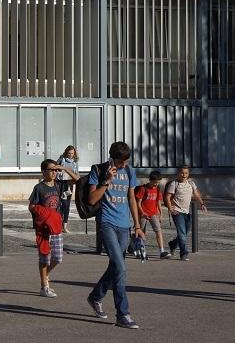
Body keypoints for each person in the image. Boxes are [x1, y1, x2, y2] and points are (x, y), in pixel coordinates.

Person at [85, 141, 143, 329]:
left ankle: (95, 296)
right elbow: (92, 199)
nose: (123, 165)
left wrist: (137, 225)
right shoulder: (99, 170)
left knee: (116, 267)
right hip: (107, 223)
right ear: (112, 158)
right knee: (120, 268)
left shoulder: (129, 171)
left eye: (126, 161)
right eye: (120, 162)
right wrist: (107, 181)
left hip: (124, 226)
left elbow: (131, 198)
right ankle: (123, 314)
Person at [29, 159, 72, 297]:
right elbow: (31, 206)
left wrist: (64, 169)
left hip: (56, 226)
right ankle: (44, 287)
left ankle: (45, 275)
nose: (54, 172)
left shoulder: (59, 185)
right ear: (43, 172)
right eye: (51, 170)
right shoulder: (39, 188)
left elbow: (77, 180)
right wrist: (45, 215)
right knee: (44, 258)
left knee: (58, 257)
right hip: (43, 228)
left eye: (55, 170)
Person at [164, 165, 207, 261]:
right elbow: (167, 197)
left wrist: (202, 204)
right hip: (177, 211)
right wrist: (170, 208)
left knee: (185, 232)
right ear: (178, 173)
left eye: (186, 173)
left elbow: (196, 194)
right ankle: (184, 254)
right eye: (182, 173)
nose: (184, 175)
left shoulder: (191, 183)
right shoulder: (174, 184)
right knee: (182, 233)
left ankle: (173, 244)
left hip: (187, 212)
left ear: (188, 174)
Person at [135, 171, 170, 259]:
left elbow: (158, 201)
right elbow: (138, 202)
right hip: (143, 214)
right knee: (142, 232)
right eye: (154, 183)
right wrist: (142, 212)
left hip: (153, 213)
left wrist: (161, 213)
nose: (156, 184)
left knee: (158, 231)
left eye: (158, 183)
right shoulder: (143, 189)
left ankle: (161, 251)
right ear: (150, 180)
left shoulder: (157, 189)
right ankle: (141, 251)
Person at [56, 145, 80, 233]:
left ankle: (64, 225)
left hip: (69, 185)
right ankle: (58, 223)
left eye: (72, 154)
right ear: (66, 153)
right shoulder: (61, 160)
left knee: (66, 205)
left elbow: (77, 174)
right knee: (59, 204)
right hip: (60, 184)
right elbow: (55, 169)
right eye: (69, 153)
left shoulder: (74, 163)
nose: (70, 155)